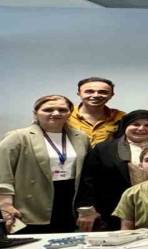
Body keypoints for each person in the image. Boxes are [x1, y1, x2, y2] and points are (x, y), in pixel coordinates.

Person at [0, 96, 89, 233]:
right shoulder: (18, 137)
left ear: (70, 113)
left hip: (69, 196)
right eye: (48, 110)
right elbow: (3, 171)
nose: (56, 113)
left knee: (64, 239)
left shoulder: (81, 137)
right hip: (33, 198)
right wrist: (5, 203)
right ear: (36, 113)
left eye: (62, 110)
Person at [76, 110, 148, 231]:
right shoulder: (104, 149)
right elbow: (88, 180)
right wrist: (87, 211)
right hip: (113, 210)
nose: (141, 128)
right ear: (125, 126)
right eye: (135, 124)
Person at [67, 77, 125, 145]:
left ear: (111, 95)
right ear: (79, 94)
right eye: (89, 91)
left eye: (103, 92)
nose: (96, 95)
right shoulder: (66, 114)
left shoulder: (121, 117)